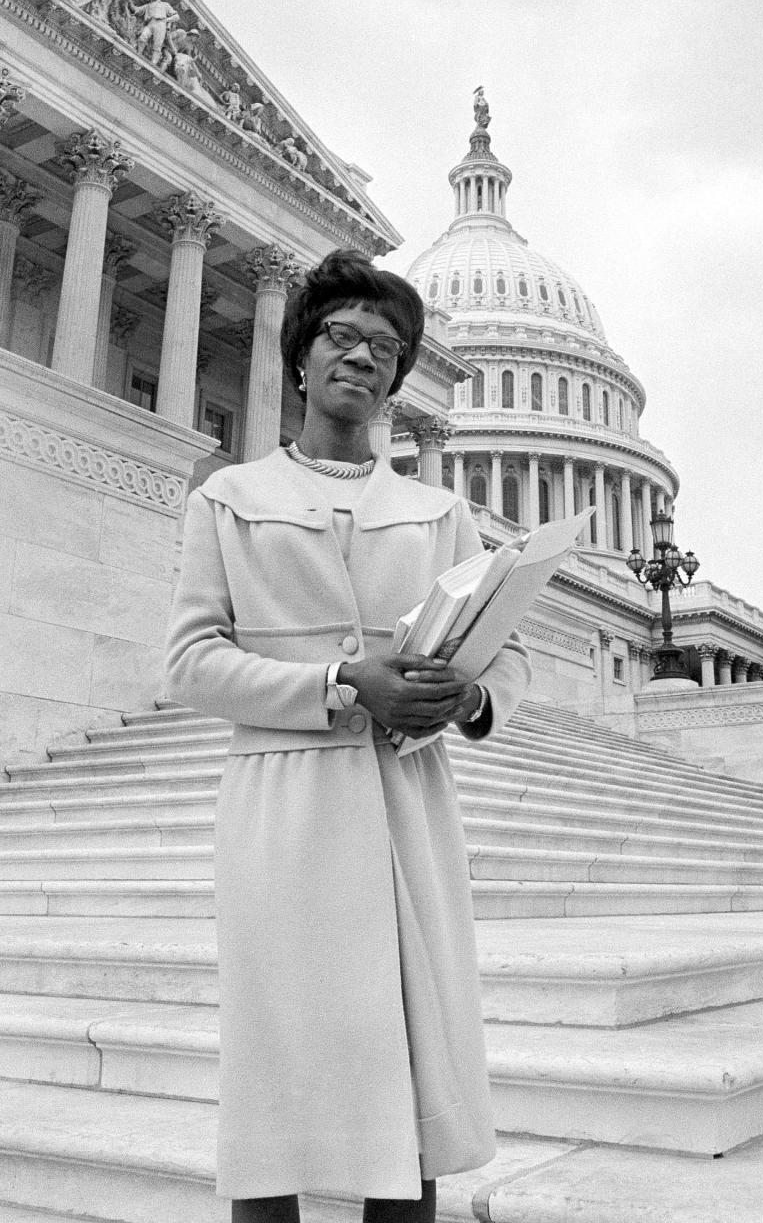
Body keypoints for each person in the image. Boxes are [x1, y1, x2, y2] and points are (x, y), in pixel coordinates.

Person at [165, 249, 531, 1223]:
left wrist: (464, 696)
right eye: (343, 337)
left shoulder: (439, 512)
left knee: (407, 1103)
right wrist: (337, 683)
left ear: (397, 380)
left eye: (385, 348)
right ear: (300, 357)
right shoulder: (228, 499)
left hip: (405, 807)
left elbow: (507, 665)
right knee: (274, 1098)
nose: (363, 359)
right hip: (284, 809)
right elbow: (192, 663)